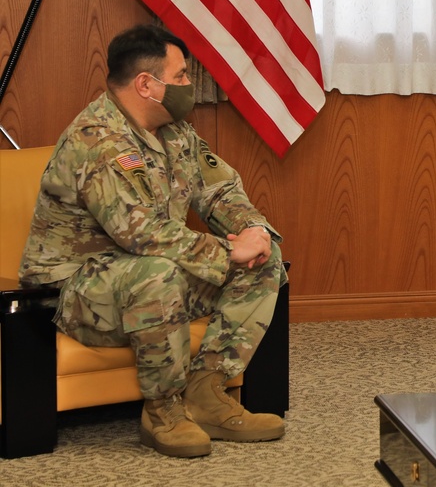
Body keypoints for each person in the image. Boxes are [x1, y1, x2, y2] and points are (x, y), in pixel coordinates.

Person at [19, 24, 288, 458]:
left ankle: (205, 393)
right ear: (147, 84)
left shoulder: (175, 131)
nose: (188, 86)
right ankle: (162, 411)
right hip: (77, 291)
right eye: (181, 76)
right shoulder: (97, 139)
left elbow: (219, 190)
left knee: (264, 260)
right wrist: (225, 250)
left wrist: (253, 230)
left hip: (146, 271)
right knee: (157, 273)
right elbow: (141, 234)